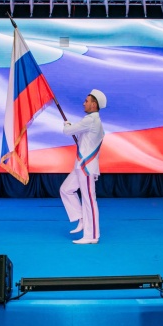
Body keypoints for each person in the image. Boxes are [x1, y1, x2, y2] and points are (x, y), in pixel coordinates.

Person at [60, 89, 106, 244]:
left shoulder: (91, 120)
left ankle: (91, 236)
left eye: (86, 101)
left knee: (89, 200)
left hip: (86, 167)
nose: (84, 103)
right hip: (80, 165)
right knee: (65, 189)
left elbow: (68, 131)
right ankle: (80, 218)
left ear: (94, 105)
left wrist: (67, 124)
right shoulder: (93, 121)